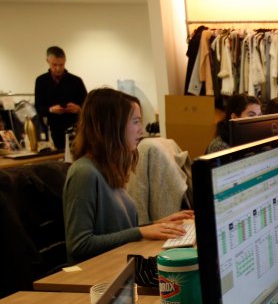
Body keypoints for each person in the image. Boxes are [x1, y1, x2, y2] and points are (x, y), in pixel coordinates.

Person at [64, 88, 192, 263]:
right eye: (135, 121)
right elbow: (79, 245)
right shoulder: (83, 173)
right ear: (112, 125)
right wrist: (141, 232)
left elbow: (117, 232)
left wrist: (155, 225)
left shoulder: (109, 170)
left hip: (119, 264)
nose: (141, 130)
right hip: (98, 275)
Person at [34, 46, 87, 151]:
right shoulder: (41, 81)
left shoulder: (76, 81)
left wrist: (78, 109)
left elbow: (89, 105)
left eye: (61, 65)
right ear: (47, 61)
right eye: (54, 65)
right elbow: (38, 107)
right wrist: (51, 110)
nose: (58, 68)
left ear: (65, 62)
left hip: (75, 128)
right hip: (53, 129)